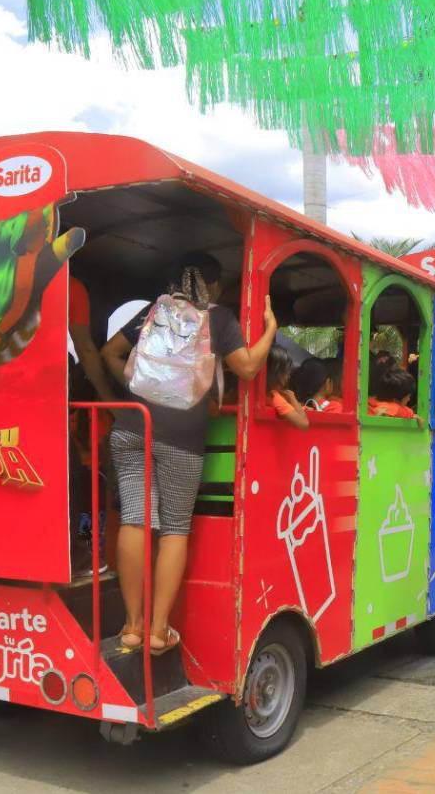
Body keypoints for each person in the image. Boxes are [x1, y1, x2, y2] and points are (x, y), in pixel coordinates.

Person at [100, 253, 277, 652]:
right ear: (213, 286)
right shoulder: (219, 318)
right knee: (175, 528)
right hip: (181, 435)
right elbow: (247, 368)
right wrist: (270, 329)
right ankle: (159, 631)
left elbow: (110, 352)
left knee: (135, 518)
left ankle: (131, 626)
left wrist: (136, 390)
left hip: (131, 427)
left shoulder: (153, 311)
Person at [68, 274, 113, 577]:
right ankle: (86, 552)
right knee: (91, 510)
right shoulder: (99, 415)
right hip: (93, 479)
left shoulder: (74, 415)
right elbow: (85, 348)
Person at [267, 346, 309, 429]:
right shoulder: (275, 397)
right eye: (287, 371)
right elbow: (304, 423)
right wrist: (292, 397)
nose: (288, 375)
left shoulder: (266, 395)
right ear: (277, 373)